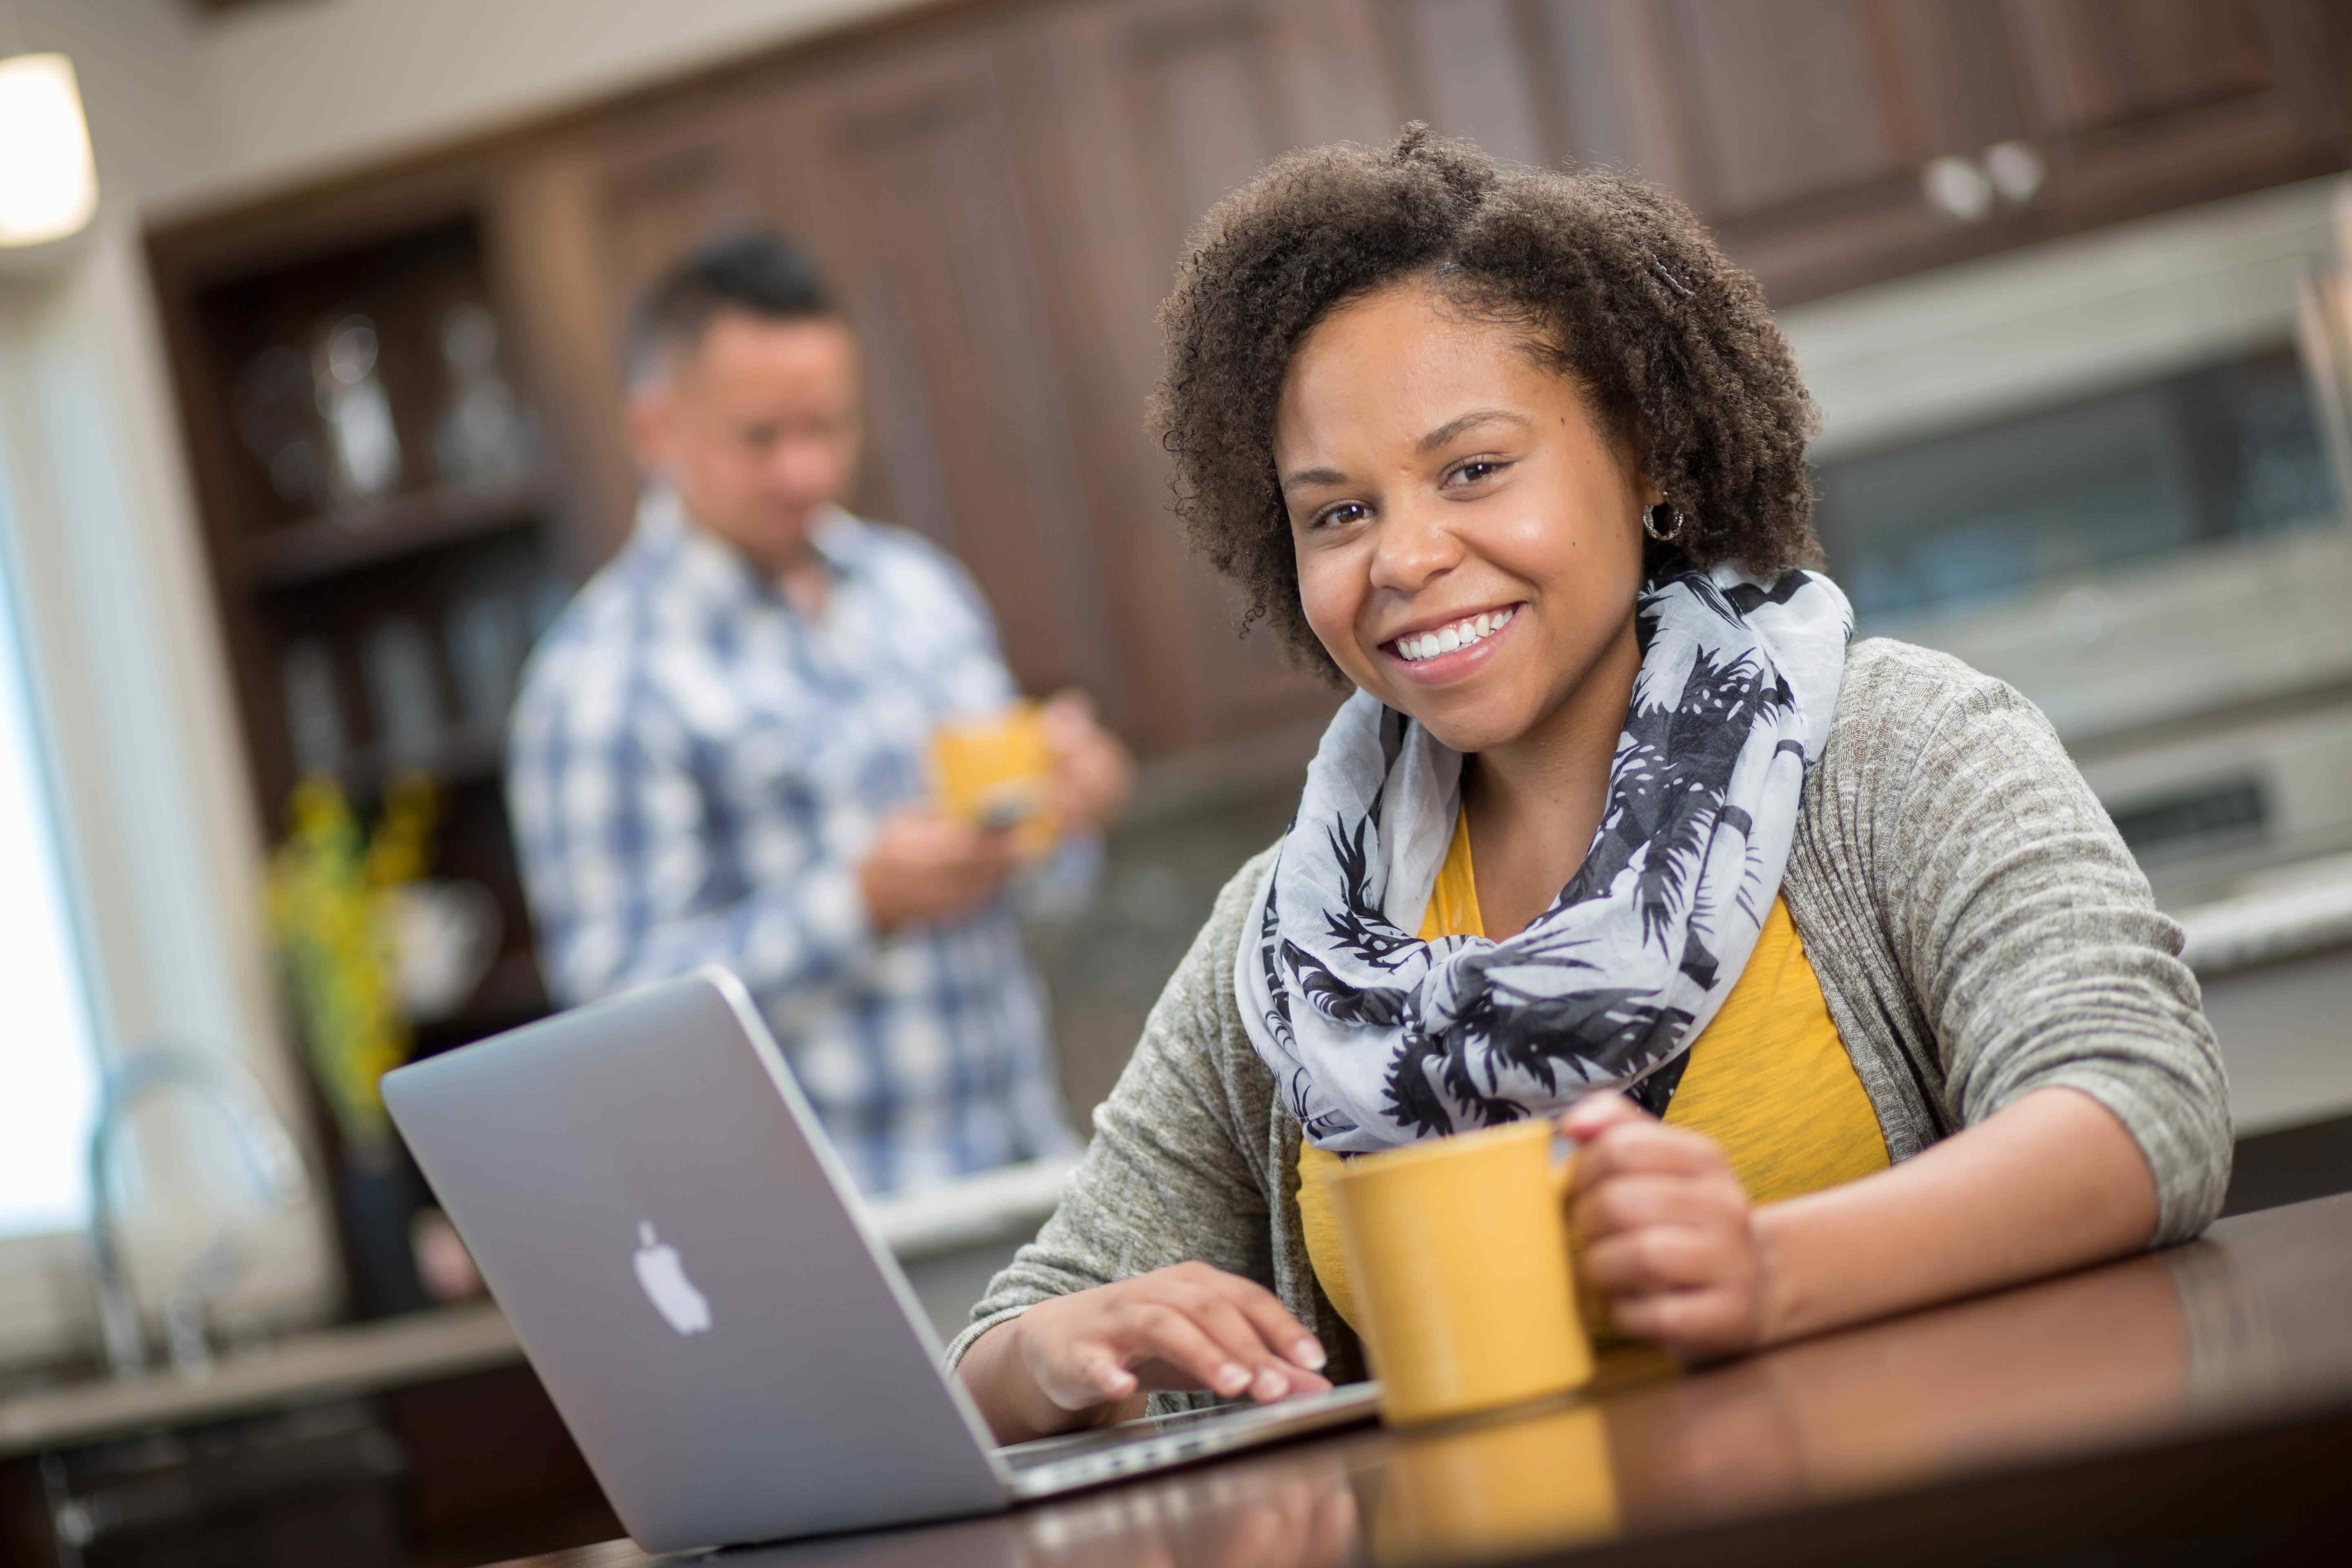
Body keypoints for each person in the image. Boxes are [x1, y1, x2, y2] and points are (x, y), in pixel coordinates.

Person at [949, 127, 2229, 1442]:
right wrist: (1051, 1353)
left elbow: (2143, 1107)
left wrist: (1775, 1271)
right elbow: (1004, 1348)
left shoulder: (1898, 752)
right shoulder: (1286, 938)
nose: (1405, 556)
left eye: (1474, 471)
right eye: (1339, 513)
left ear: (1648, 456)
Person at [507, 231, 1132, 1196]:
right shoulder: (601, 681)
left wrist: (1068, 812)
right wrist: (862, 903)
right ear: (655, 433)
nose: (804, 472)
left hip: (1029, 1175)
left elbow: (1040, 903)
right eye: (761, 437)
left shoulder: (919, 592)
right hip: (826, 1225)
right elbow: (617, 1035)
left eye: (828, 429)